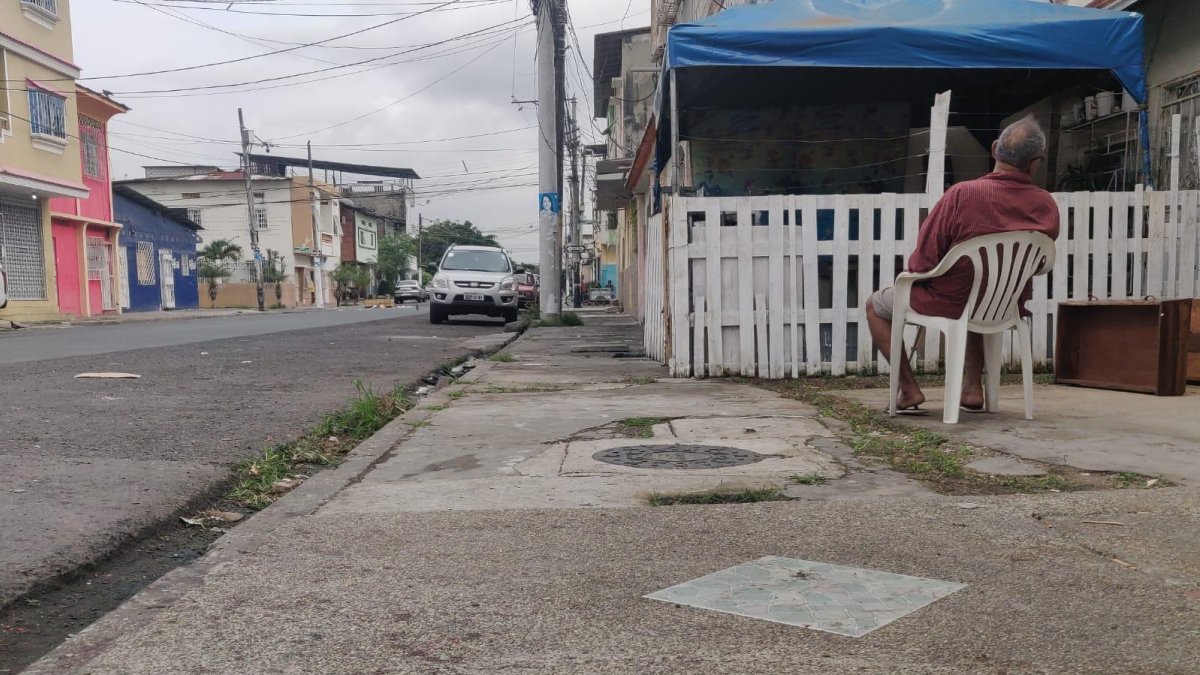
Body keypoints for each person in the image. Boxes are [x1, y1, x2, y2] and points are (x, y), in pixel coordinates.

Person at [865, 116, 1060, 415]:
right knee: (976, 294)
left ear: (994, 149)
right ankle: (971, 389)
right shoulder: (1046, 204)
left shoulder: (962, 195)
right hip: (1004, 304)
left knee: (874, 306)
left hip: (951, 300)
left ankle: (908, 389)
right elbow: (1040, 261)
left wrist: (919, 278)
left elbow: (923, 261)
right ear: (1035, 163)